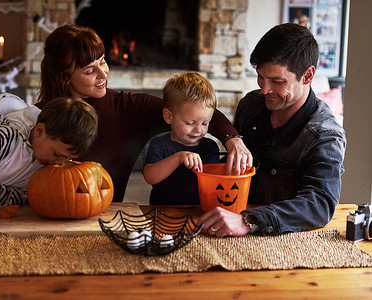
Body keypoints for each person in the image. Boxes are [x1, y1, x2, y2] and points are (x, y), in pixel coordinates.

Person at [35, 24, 252, 203]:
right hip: (45, 210)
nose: (103, 73)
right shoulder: (38, 118)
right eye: (90, 70)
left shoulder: (129, 108)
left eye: (102, 61)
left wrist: (233, 140)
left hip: (105, 216)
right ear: (64, 77)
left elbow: (199, 112)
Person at [198, 23, 346, 237]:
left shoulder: (325, 135)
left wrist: (248, 221)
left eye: (277, 81)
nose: (265, 89)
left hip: (286, 243)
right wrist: (233, 139)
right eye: (260, 77)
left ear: (307, 76)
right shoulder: (250, 105)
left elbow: (320, 205)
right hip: (228, 229)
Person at [0, 95, 98, 207]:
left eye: (66, 159)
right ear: (39, 131)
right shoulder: (1, 138)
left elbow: (28, 197)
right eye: (56, 154)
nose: (59, 163)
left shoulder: (50, 163)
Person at [143, 72, 221, 205]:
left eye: (205, 123)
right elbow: (150, 177)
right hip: (163, 212)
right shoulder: (160, 144)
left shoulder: (210, 147)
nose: (198, 129)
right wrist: (178, 157)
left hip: (200, 212)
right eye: (190, 123)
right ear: (168, 116)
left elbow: (216, 183)